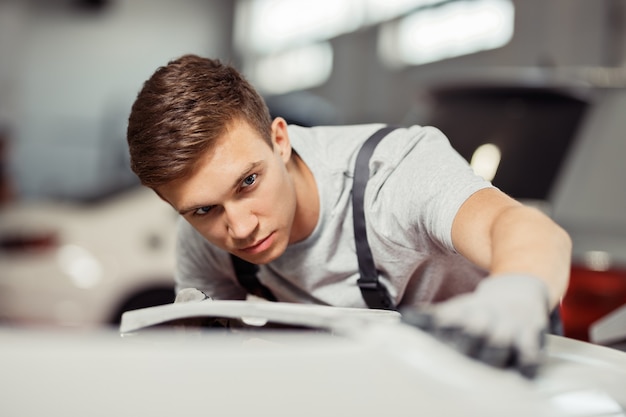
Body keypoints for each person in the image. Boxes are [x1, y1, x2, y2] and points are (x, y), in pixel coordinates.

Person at [126, 54, 571, 377]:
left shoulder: (393, 173)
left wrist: (517, 293)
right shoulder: (202, 240)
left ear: (279, 140)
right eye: (205, 210)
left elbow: (520, 227)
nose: (240, 228)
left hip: (495, 376)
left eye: (248, 183)